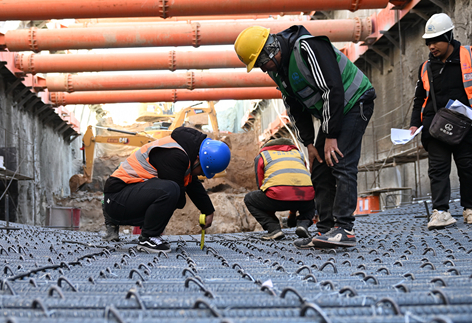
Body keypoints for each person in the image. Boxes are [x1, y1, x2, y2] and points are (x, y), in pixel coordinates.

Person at [234, 25, 376, 248]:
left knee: (339, 160)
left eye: (262, 63)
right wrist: (309, 144)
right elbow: (295, 108)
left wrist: (330, 135)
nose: (262, 69)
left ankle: (344, 229)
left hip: (354, 100)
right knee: (320, 168)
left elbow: (332, 89)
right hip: (336, 112)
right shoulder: (278, 71)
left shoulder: (308, 47)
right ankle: (325, 230)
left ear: (271, 50)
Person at [409, 13, 472, 230]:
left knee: (468, 166)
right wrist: (415, 124)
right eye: (428, 42)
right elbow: (419, 99)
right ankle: (440, 211)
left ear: (449, 37)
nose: (432, 46)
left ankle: (469, 209)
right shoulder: (426, 67)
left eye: (436, 41)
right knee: (438, 169)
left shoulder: (471, 56)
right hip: (435, 127)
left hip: (465, 124)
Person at [101, 126, 231, 252]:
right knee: (170, 189)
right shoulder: (174, 155)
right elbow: (178, 197)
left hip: (124, 196)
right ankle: (148, 238)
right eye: (202, 170)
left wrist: (208, 210)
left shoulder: (185, 151)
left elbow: (192, 183)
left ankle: (148, 234)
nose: (200, 174)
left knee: (172, 190)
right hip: (117, 200)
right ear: (198, 159)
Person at [244, 137, 316, 240]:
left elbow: (261, 186)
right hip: (304, 197)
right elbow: (297, 183)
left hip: (276, 198)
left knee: (249, 199)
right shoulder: (299, 154)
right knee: (312, 197)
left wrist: (270, 213)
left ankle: (273, 229)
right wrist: (292, 214)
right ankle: (303, 224)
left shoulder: (263, 156)